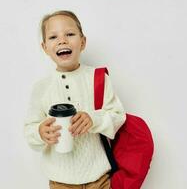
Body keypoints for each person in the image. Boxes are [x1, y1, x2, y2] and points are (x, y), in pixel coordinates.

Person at [24, 10, 126, 189]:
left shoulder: (98, 78)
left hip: (99, 179)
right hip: (61, 182)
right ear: (45, 47)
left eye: (70, 34)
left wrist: (93, 119)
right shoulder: (41, 88)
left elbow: (118, 116)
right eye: (53, 37)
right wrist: (40, 132)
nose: (62, 40)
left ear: (83, 42)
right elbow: (29, 131)